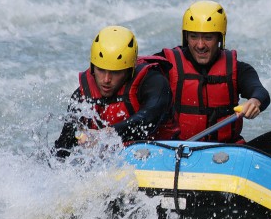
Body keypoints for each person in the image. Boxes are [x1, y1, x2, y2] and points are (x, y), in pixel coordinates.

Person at [150, 0, 271, 167]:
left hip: (226, 157)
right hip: (179, 156)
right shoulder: (165, 65)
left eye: (208, 38)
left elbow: (260, 92)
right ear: (186, 37)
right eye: (193, 37)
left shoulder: (238, 68)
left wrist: (254, 101)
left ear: (220, 38)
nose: (200, 45)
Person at [53, 25, 178, 159]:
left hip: (162, 159)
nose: (106, 80)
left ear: (129, 70)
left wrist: (108, 135)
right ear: (92, 67)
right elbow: (62, 148)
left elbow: (149, 119)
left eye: (115, 72)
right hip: (115, 170)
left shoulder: (153, 83)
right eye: (101, 70)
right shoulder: (82, 97)